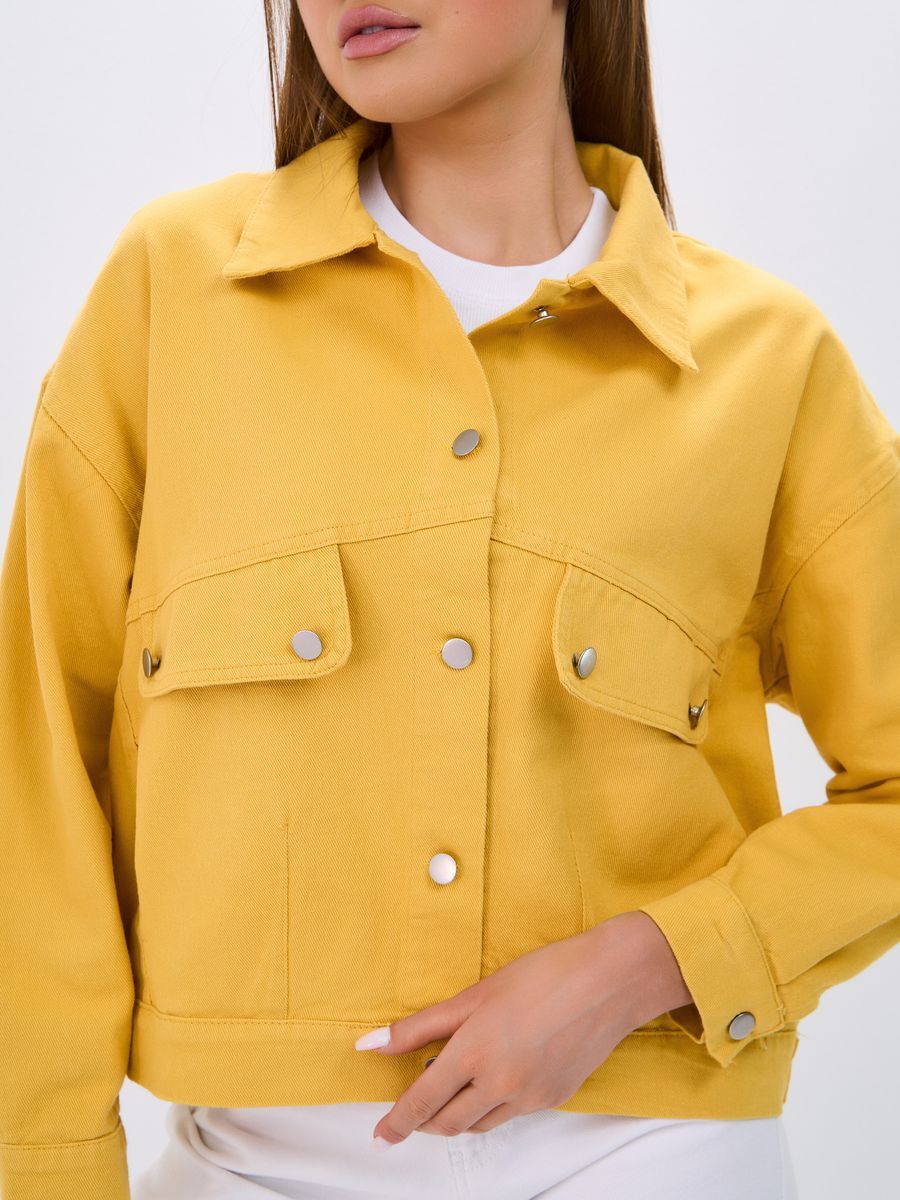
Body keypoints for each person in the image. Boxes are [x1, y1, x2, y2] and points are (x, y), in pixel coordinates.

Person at [1, 2, 897, 1198]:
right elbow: (35, 768)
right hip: (253, 1166)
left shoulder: (770, 363)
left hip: (652, 1154)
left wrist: (645, 964)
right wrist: (50, 1166)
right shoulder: (173, 289)